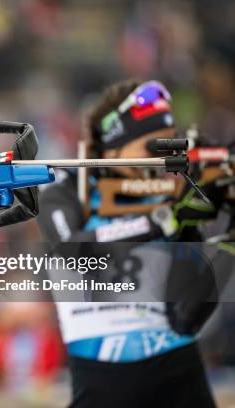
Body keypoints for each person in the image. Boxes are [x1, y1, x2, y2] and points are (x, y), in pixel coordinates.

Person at [37, 79, 227, 408]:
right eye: (150, 147)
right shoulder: (68, 190)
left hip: (179, 375)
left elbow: (190, 316)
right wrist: (158, 222)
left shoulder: (170, 196)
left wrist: (222, 235)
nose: (160, 160)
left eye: (166, 148)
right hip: (101, 381)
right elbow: (72, 252)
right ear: (114, 145)